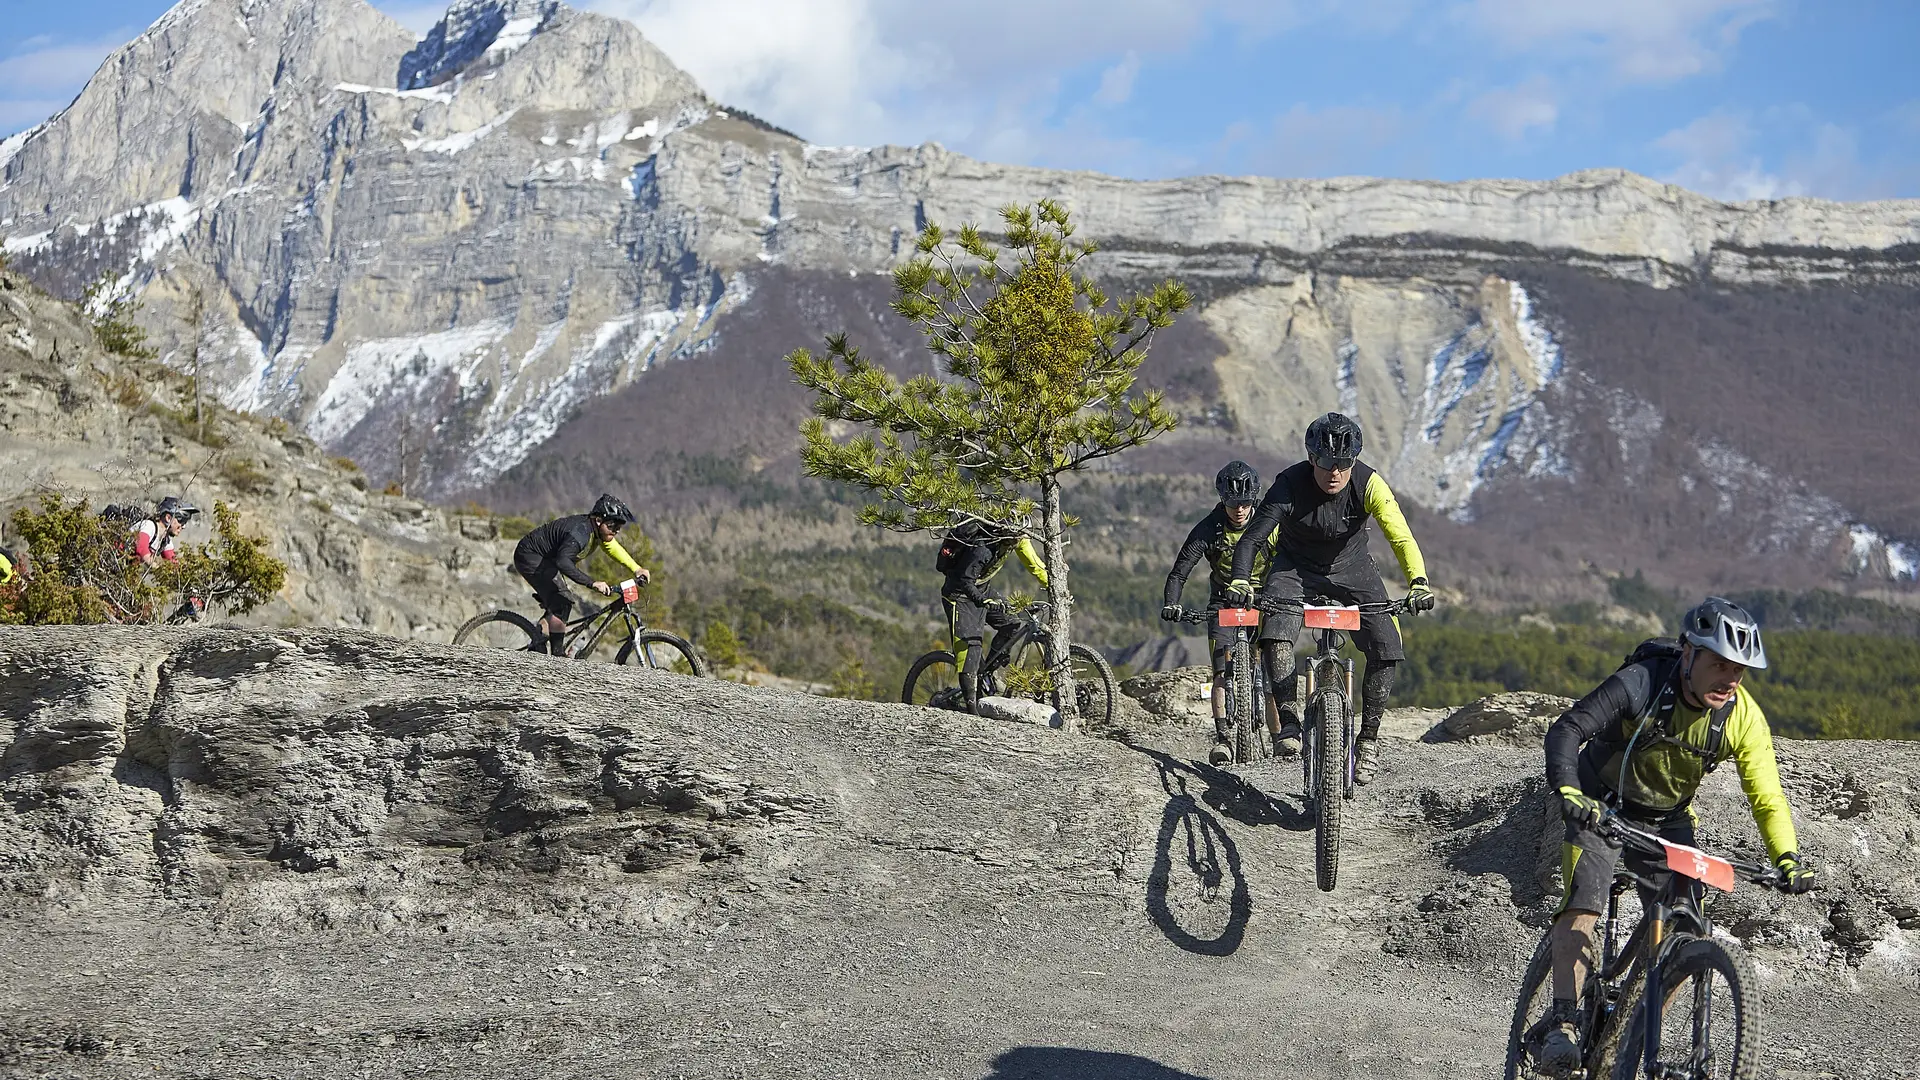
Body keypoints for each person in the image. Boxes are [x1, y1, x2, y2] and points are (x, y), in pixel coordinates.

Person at [1532, 597, 1815, 1072]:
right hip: (1600, 804)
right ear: (1689, 653)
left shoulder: (1741, 717)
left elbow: (1767, 796)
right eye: (1719, 664)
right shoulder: (1642, 681)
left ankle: (1631, 1033)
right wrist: (1568, 790)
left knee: (1685, 927)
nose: (1729, 679)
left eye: (1739, 671)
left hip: (1669, 820)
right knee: (1585, 898)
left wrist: (1786, 856)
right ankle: (1562, 1024)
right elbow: (1568, 729)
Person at [1225, 412, 1434, 785]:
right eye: (1326, 464)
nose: (1335, 472)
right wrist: (1241, 580)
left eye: (1344, 464)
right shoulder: (1288, 484)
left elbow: (1400, 535)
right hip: (1294, 567)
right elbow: (1253, 538)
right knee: (1276, 627)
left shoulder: (1369, 483)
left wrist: (1418, 581)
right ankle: (1288, 723)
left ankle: (1367, 740)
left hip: (1352, 567)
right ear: (1311, 459)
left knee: (1387, 644)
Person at [1161, 460, 1285, 765]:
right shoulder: (1209, 528)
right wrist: (1172, 603)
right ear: (1222, 500)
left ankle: (1281, 738)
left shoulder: (1271, 526)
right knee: (1220, 671)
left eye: (1245, 503)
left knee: (1271, 674)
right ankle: (1224, 738)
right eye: (1232, 504)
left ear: (1254, 500)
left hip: (1264, 599)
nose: (1239, 510)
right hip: (1223, 602)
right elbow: (1180, 571)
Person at [512, 494, 651, 656]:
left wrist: (637, 569)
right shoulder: (581, 533)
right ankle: (557, 656)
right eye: (613, 526)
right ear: (599, 520)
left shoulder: (598, 532)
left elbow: (613, 548)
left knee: (558, 604)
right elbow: (563, 562)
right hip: (530, 556)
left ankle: (538, 639)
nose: (617, 530)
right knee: (563, 602)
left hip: (546, 560)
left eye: (619, 526)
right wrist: (592, 582)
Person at [939, 518, 1049, 715]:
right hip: (959, 595)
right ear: (1006, 535)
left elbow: (1034, 564)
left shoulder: (1016, 539)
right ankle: (973, 712)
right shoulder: (983, 548)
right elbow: (965, 580)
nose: (1021, 541)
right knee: (969, 651)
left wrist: (1054, 585)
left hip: (982, 589)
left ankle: (986, 674)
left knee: (1013, 624)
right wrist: (981, 601)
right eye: (1017, 538)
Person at [132, 497, 198, 568]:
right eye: (181, 521)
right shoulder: (148, 526)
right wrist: (158, 569)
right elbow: (141, 549)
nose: (183, 526)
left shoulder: (165, 540)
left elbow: (172, 563)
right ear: (168, 518)